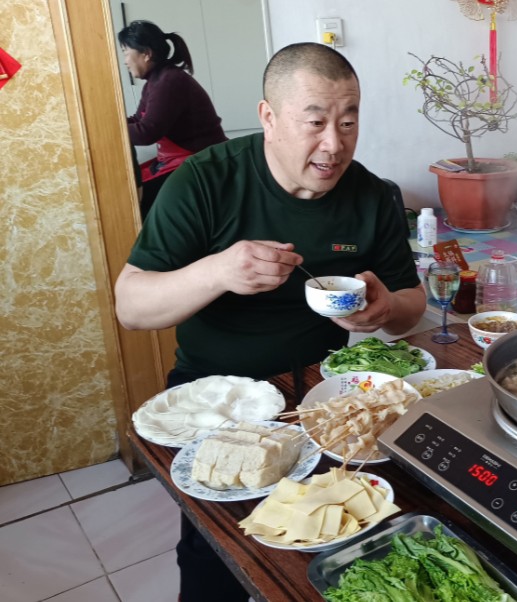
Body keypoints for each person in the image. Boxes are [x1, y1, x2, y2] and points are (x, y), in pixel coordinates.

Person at [114, 43, 426, 601]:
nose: (334, 144)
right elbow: (132, 306)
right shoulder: (205, 182)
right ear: (268, 118)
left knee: (339, 553)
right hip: (215, 400)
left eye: (349, 122)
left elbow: (410, 305)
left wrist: (386, 310)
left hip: (325, 398)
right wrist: (217, 271)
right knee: (223, 559)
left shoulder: (374, 196)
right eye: (315, 123)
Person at [119, 20, 227, 218]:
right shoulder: (155, 81)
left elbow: (147, 132)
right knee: (129, 190)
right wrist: (107, 122)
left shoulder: (169, 81)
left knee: (136, 206)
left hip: (201, 162)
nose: (125, 61)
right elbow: (137, 120)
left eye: (126, 52)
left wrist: (111, 130)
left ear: (146, 53)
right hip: (178, 160)